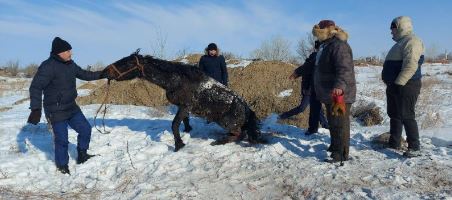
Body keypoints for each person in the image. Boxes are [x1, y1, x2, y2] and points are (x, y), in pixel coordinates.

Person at [27, 37, 110, 174]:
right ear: (59, 52)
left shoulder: (70, 64)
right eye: (67, 51)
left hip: (71, 107)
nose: (70, 53)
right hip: (56, 110)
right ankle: (62, 166)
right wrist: (36, 108)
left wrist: (104, 74)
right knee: (62, 141)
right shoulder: (48, 66)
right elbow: (35, 87)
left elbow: (85, 74)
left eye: (70, 50)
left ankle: (82, 154)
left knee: (85, 129)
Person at [312, 20, 356, 163]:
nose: (317, 37)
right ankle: (335, 146)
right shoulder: (326, 46)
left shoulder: (339, 46)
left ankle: (341, 154)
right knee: (333, 122)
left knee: (339, 123)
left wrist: (339, 86)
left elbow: (344, 68)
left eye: (318, 34)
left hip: (339, 93)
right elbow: (317, 66)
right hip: (329, 93)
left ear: (325, 32)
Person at [382, 16, 424, 158]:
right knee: (395, 114)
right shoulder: (400, 43)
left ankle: (415, 147)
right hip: (396, 85)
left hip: (407, 85)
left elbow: (411, 65)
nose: (391, 32)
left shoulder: (412, 41)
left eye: (392, 28)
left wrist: (399, 83)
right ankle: (394, 142)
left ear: (400, 27)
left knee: (407, 115)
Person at [279, 40, 329, 135]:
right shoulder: (315, 57)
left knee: (318, 109)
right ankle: (282, 116)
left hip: (313, 88)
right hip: (309, 89)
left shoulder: (318, 56)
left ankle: (326, 126)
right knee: (302, 108)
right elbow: (308, 72)